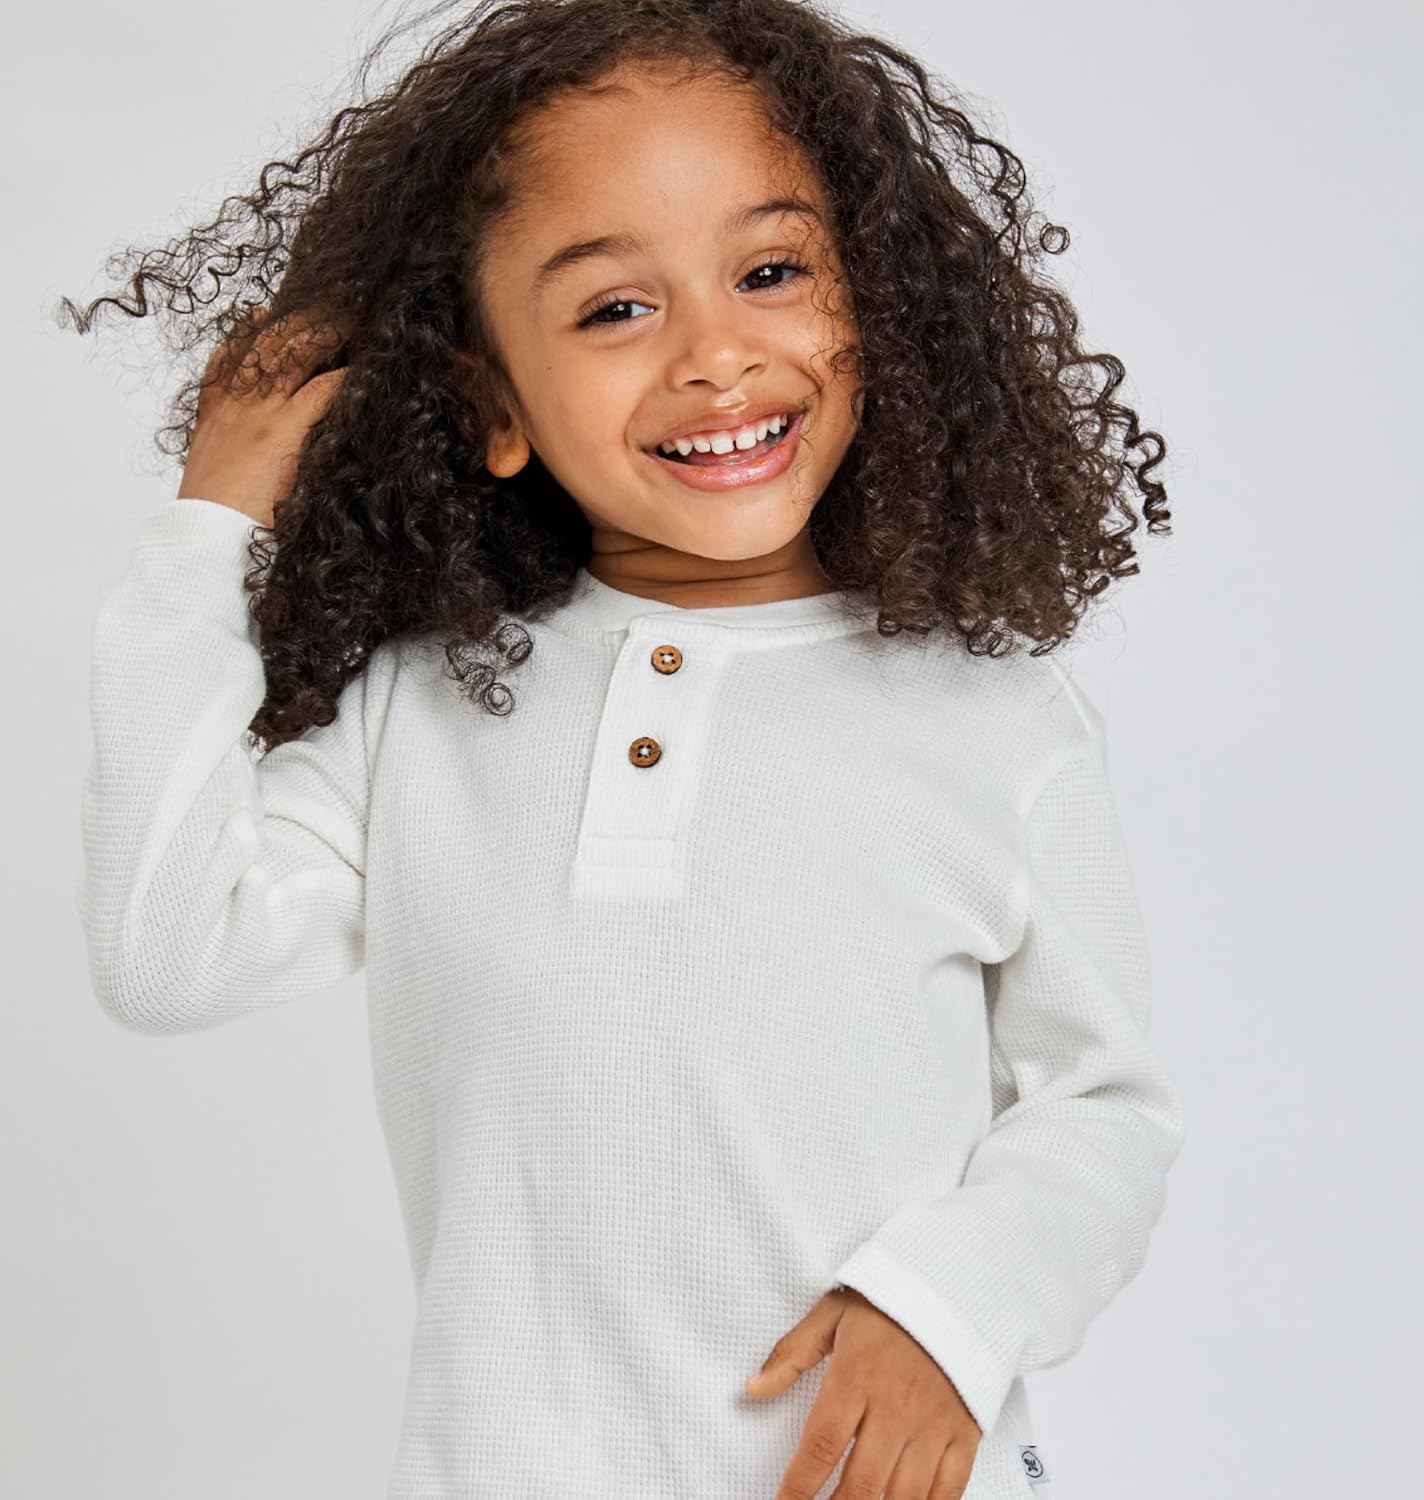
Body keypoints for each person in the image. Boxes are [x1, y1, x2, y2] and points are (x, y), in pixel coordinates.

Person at [65, 1, 1185, 1495]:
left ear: (876, 307)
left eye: (771, 272)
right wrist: (206, 538)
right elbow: (167, 953)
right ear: (496, 407)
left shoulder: (996, 719)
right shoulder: (425, 712)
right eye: (614, 309)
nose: (719, 355)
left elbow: (1105, 1109)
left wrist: (953, 1311)